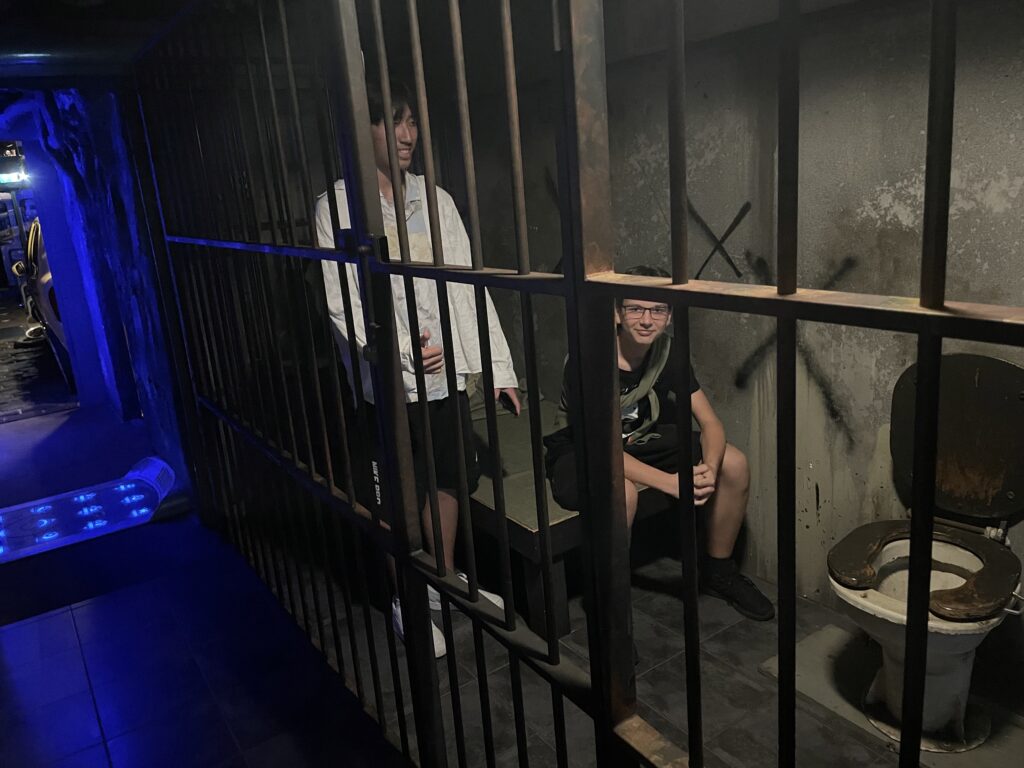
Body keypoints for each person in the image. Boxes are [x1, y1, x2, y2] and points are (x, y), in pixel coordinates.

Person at [314, 80, 521, 657]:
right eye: (394, 122)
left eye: (412, 122)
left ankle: (443, 581)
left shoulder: (437, 201)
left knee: (449, 478)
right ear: (365, 129)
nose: (408, 135)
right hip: (384, 386)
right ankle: (407, 593)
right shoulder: (338, 207)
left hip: (445, 374)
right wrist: (401, 349)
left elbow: (467, 284)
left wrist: (497, 365)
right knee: (393, 494)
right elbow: (341, 301)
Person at [544, 264, 774, 621]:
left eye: (657, 309)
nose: (647, 320)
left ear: (669, 316)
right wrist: (671, 483)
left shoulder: (667, 351)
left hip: (639, 439)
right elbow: (601, 447)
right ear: (617, 313)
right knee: (623, 494)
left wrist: (710, 468)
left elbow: (710, 422)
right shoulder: (590, 356)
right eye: (635, 308)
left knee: (734, 463)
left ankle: (719, 571)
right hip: (582, 450)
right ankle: (610, 604)